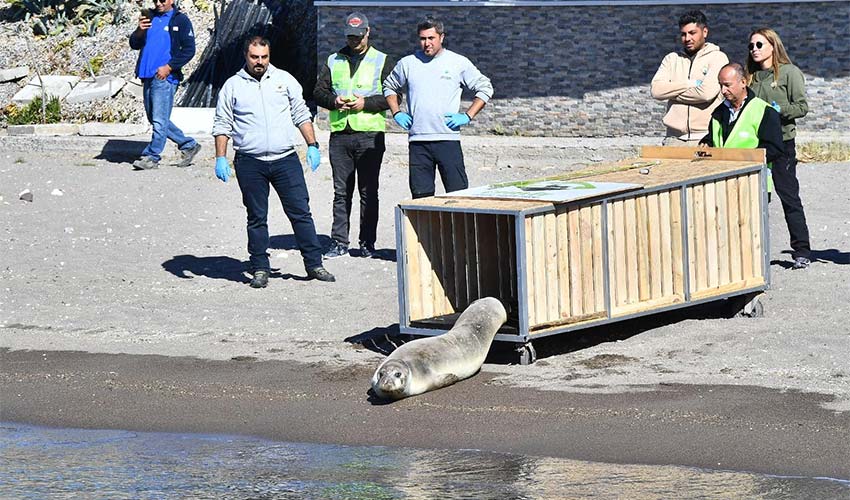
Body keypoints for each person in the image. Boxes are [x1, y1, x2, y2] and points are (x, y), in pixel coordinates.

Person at [212, 36, 335, 288]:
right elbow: (222, 123)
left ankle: (314, 264)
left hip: (285, 160)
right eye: (255, 57)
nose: (260, 62)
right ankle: (259, 267)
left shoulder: (284, 80)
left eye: (264, 57)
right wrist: (220, 157)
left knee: (301, 213)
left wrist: (312, 145)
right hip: (250, 161)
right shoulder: (232, 86)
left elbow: (301, 113)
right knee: (256, 217)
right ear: (246, 56)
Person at [313, 12, 397, 259]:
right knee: (341, 192)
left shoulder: (382, 60)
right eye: (350, 37)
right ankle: (339, 242)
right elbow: (318, 92)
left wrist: (366, 104)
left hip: (370, 134)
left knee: (368, 192)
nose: (355, 41)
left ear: (368, 32)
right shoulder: (333, 60)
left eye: (359, 37)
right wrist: (334, 101)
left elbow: (393, 97)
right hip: (340, 134)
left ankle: (367, 243)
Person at [383, 16, 494, 199]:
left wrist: (467, 115)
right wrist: (396, 113)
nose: (426, 43)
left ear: (441, 37)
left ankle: (458, 229)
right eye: (422, 38)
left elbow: (486, 87)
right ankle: (428, 229)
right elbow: (389, 86)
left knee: (459, 196)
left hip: (447, 139)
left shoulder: (458, 62)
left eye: (431, 38)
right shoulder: (408, 63)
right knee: (421, 198)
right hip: (418, 142)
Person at [746, 28, 812, 270]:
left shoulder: (789, 73)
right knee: (756, 199)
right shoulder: (749, 77)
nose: (754, 49)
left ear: (773, 46)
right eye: (751, 45)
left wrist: (778, 111)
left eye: (759, 45)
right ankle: (753, 254)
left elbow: (802, 107)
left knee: (789, 197)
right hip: (755, 145)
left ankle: (802, 251)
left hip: (782, 144)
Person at [129, 0, 201, 170]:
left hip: (164, 78)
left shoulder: (180, 20)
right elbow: (134, 44)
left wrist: (169, 67)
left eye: (162, 0)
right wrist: (140, 30)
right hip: (147, 76)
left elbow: (189, 49)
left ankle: (151, 156)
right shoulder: (150, 17)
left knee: (159, 120)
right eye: (155, 0)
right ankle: (188, 145)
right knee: (155, 119)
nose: (159, 3)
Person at [651, 10, 728, 145]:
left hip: (704, 138)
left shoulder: (718, 58)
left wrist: (671, 92)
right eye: (683, 34)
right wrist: (689, 84)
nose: (687, 38)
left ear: (704, 32)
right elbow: (656, 91)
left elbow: (705, 93)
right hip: (673, 139)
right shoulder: (671, 59)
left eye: (692, 33)